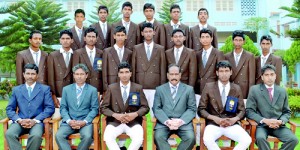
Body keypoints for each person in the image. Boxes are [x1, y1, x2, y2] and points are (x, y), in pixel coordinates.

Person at [198, 60, 251, 150]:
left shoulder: (236, 88)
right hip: (214, 124)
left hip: (231, 124)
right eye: (221, 71)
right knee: (207, 139)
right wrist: (215, 118)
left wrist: (234, 119)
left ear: (231, 72)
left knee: (247, 140)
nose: (224, 74)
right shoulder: (209, 87)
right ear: (217, 73)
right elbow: (201, 109)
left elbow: (242, 110)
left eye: (226, 71)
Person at [246, 64, 298, 150]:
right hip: (262, 126)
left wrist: (280, 121)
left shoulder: (282, 91)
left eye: (272, 74)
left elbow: (287, 112)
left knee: (293, 140)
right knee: (260, 138)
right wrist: (265, 120)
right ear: (262, 77)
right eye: (266, 75)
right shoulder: (255, 90)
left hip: (278, 126)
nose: (269, 77)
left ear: (275, 76)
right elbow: (249, 111)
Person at [101, 61, 149, 150]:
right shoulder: (111, 88)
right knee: (108, 137)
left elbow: (145, 107)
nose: (124, 75)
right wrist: (115, 115)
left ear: (130, 73)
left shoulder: (137, 88)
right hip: (115, 122)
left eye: (127, 72)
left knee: (138, 139)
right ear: (118, 74)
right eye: (121, 72)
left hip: (133, 122)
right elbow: (103, 108)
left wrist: (134, 114)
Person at [6, 63, 55, 150]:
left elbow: (50, 108)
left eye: (33, 74)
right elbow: (10, 109)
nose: (30, 76)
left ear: (37, 75)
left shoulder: (44, 89)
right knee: (9, 134)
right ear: (23, 74)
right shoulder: (16, 90)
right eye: (28, 73)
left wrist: (35, 120)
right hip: (20, 121)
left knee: (36, 136)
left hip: (37, 122)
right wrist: (19, 120)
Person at [55, 64, 99, 150]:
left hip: (85, 122)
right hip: (69, 121)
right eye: (77, 74)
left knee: (87, 136)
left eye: (82, 74)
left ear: (86, 75)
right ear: (74, 75)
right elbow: (63, 108)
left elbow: (94, 109)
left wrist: (85, 121)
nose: (79, 77)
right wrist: (69, 120)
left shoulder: (92, 90)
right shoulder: (66, 89)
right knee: (59, 136)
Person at [153, 64, 197, 150]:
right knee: (158, 137)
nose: (174, 77)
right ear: (167, 75)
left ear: (180, 75)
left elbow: (192, 109)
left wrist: (181, 121)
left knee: (190, 138)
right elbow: (156, 108)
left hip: (183, 123)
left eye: (176, 74)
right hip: (164, 123)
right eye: (171, 74)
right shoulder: (160, 89)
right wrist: (167, 121)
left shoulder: (189, 89)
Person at [132, 22, 166, 89]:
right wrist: (133, 85)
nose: (148, 34)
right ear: (142, 33)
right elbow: (133, 67)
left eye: (150, 31)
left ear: (154, 32)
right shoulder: (136, 48)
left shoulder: (160, 49)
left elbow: (162, 69)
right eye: (146, 32)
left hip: (155, 83)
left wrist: (162, 86)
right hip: (140, 83)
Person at [72, 27, 103, 94]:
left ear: (96, 39)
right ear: (84, 38)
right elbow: (75, 72)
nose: (91, 39)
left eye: (93, 37)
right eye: (89, 36)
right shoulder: (78, 53)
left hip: (97, 88)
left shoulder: (101, 53)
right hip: (82, 88)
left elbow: (101, 71)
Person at [225, 30, 255, 99]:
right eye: (236, 40)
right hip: (231, 89)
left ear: (244, 41)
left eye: (240, 40)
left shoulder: (249, 56)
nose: (238, 42)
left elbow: (251, 78)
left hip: (244, 89)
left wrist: (250, 95)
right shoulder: (227, 56)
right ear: (232, 41)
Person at [47, 30, 74, 108]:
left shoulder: (76, 54)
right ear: (60, 40)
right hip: (59, 91)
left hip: (73, 91)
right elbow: (50, 77)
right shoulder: (53, 55)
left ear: (72, 40)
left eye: (68, 38)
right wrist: (53, 95)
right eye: (63, 38)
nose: (65, 41)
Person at [102, 26, 132, 91]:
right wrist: (105, 88)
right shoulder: (107, 51)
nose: (120, 37)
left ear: (126, 36)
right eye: (118, 35)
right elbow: (104, 72)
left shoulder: (129, 52)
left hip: (125, 85)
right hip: (111, 83)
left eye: (122, 35)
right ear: (114, 36)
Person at [196, 28, 224, 94]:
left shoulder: (218, 53)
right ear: (200, 39)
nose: (205, 39)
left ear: (211, 39)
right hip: (199, 87)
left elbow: (221, 72)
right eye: (202, 37)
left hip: (213, 87)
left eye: (207, 37)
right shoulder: (197, 54)